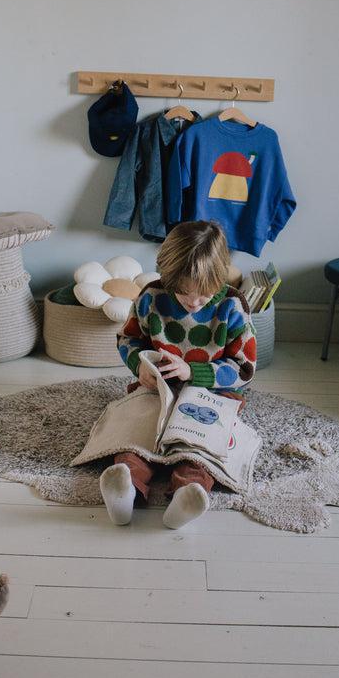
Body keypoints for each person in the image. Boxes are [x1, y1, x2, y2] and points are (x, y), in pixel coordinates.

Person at [100, 220, 257, 529]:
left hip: (211, 393)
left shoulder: (231, 306)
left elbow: (244, 368)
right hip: (157, 387)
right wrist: (140, 364)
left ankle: (189, 492)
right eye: (184, 293)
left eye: (204, 294)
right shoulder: (151, 297)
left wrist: (193, 371)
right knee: (138, 433)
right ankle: (125, 486)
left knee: (198, 444)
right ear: (167, 276)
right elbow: (128, 339)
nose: (194, 302)